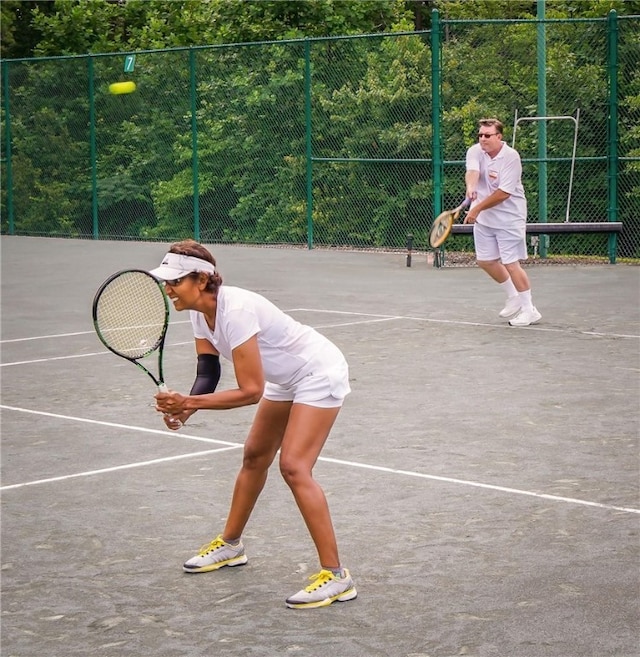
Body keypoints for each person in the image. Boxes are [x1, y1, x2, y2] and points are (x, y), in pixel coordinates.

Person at [149, 240, 357, 609]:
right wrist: (186, 409)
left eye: (174, 282)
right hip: (286, 377)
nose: (168, 290)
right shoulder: (198, 311)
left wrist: (189, 401)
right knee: (254, 456)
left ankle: (337, 577)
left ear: (201, 280)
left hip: (317, 371)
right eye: (166, 282)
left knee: (294, 466)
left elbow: (250, 391)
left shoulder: (237, 310)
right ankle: (231, 546)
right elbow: (208, 370)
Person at [464, 118, 541, 327]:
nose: (482, 139)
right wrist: (471, 188)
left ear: (499, 137)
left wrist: (477, 208)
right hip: (485, 220)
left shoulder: (511, 157)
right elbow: (472, 172)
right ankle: (514, 296)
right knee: (485, 261)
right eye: (480, 135)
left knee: (511, 263)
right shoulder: (475, 151)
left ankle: (529, 310)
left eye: (487, 135)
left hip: (509, 218)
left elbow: (503, 193)